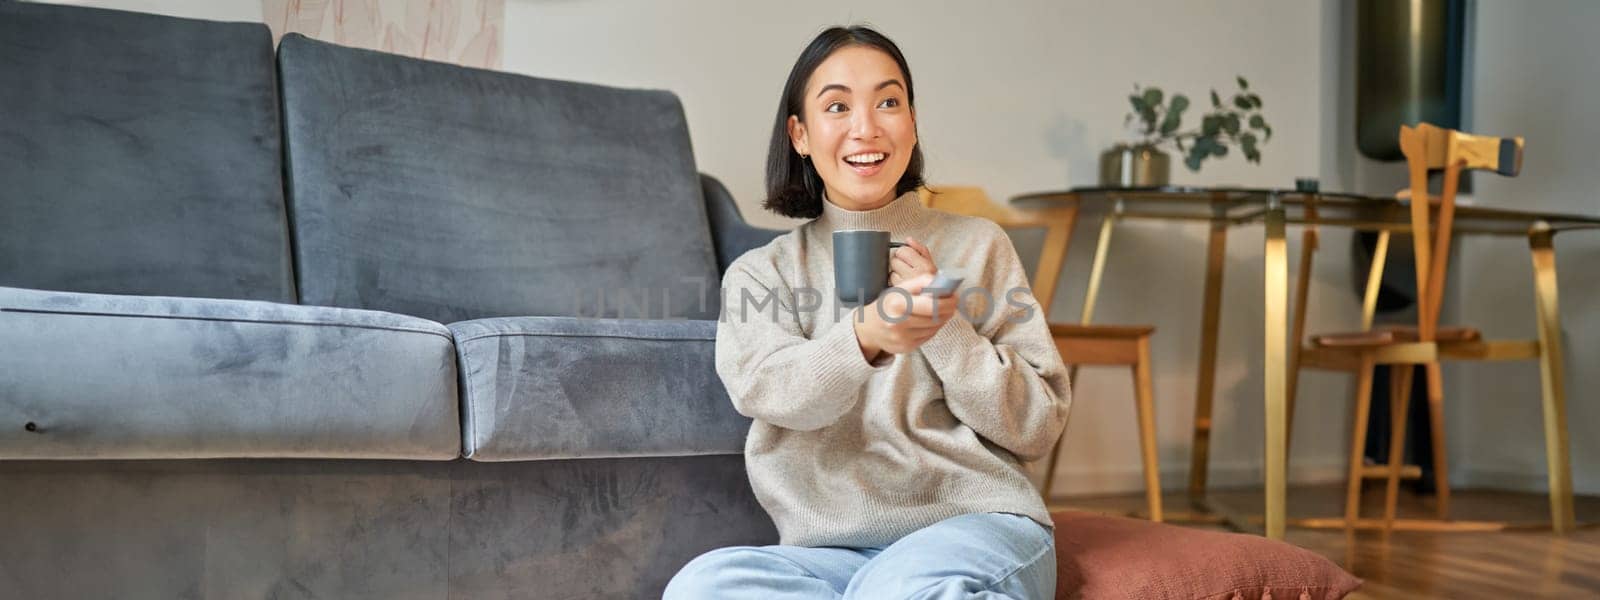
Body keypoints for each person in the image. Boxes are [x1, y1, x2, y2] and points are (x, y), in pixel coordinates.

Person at [664, 25, 1071, 600]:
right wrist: (865, 336)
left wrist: (945, 329)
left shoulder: (980, 245)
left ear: (911, 120)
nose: (867, 127)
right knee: (703, 587)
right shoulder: (764, 273)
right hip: (830, 555)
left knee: (901, 589)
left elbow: (1038, 425)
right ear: (800, 134)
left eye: (889, 101)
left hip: (972, 526)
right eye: (837, 106)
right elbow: (772, 393)